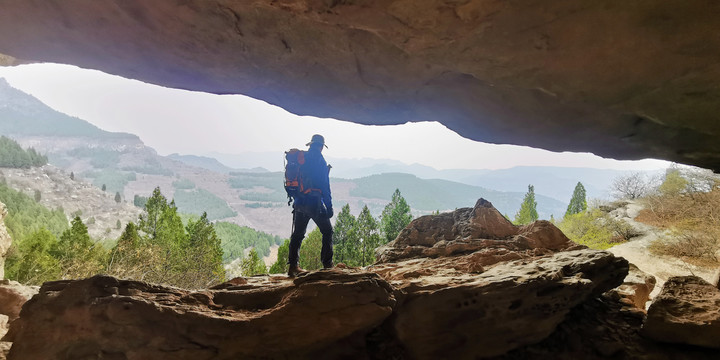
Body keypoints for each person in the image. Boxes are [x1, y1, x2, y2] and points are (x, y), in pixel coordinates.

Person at [288, 134, 333, 277]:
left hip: (299, 202)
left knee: (297, 235)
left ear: (310, 145)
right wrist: (329, 206)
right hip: (314, 203)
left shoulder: (301, 158)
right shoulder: (320, 160)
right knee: (327, 231)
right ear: (321, 146)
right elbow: (325, 186)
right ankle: (327, 265)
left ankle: (293, 267)